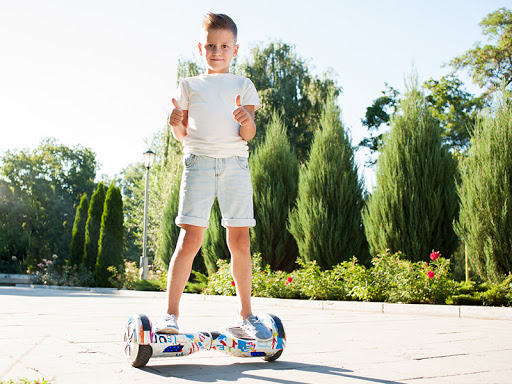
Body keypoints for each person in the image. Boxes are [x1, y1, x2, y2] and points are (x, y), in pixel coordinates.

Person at [154, 12, 272, 340]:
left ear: (236, 49)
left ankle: (247, 314)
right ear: (200, 48)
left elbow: (248, 134)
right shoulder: (190, 85)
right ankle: (171, 314)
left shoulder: (243, 86)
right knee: (189, 239)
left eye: (224, 46)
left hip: (235, 164)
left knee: (240, 240)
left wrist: (243, 118)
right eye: (210, 46)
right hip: (199, 164)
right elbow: (181, 134)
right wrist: (176, 121)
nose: (216, 51)